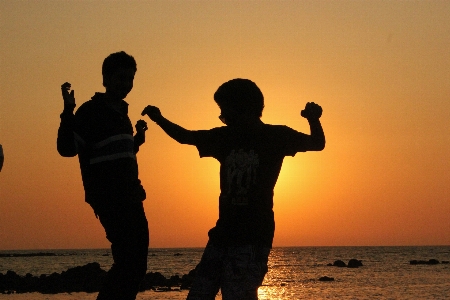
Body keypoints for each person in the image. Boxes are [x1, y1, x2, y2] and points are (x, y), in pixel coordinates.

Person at [141, 78, 325, 299]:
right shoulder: (224, 136)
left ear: (242, 108)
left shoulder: (276, 136)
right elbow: (185, 137)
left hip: (253, 237)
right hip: (222, 235)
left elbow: (317, 143)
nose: (223, 118)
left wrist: (313, 119)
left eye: (224, 111)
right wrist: (159, 119)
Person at [57, 51, 149, 300]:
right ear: (105, 79)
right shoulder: (91, 112)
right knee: (130, 263)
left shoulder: (122, 113)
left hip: (131, 196)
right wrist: (68, 112)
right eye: (121, 78)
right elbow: (67, 149)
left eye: (130, 79)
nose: (126, 84)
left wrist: (136, 141)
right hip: (111, 199)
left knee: (135, 264)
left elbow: (115, 153)